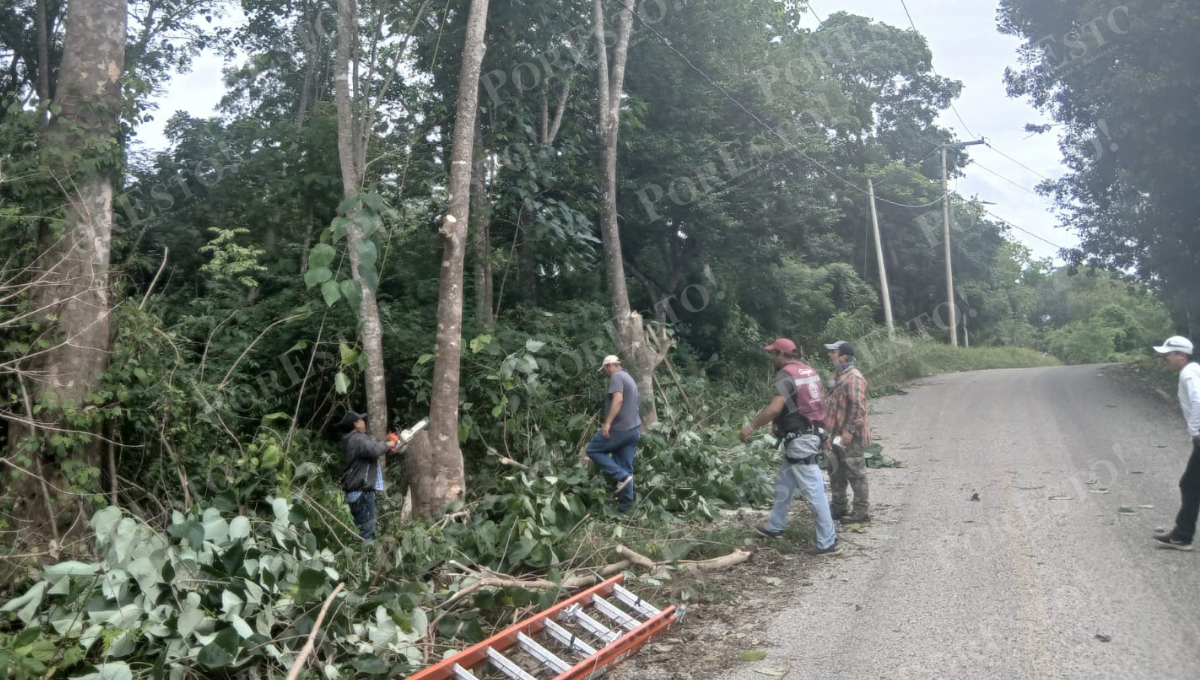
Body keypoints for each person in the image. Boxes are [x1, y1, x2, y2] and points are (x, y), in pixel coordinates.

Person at [740, 338, 840, 556]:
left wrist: (751, 426)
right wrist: (823, 435)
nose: (771, 358)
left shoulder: (785, 374)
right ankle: (775, 526)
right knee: (784, 479)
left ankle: (828, 541)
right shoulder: (809, 371)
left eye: (772, 354)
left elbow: (775, 408)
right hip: (812, 432)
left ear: (780, 354)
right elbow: (819, 404)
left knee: (814, 490)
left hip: (800, 438)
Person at [1151, 336, 1200, 551]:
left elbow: (1198, 399)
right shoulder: (1193, 370)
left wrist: (1196, 431)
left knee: (1189, 484)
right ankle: (1182, 534)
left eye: (1167, 355)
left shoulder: (1189, 373)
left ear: (1182, 355)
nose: (1164, 359)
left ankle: (1182, 536)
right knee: (1191, 484)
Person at [824, 340, 871, 524]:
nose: (830, 355)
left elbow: (858, 406)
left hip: (850, 435)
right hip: (835, 433)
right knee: (835, 471)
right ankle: (839, 508)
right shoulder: (837, 376)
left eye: (833, 352)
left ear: (843, 356)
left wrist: (849, 430)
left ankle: (861, 512)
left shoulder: (853, 377)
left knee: (855, 472)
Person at [586, 355, 640, 512]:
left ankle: (620, 476)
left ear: (609, 366)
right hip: (633, 429)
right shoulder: (628, 377)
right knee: (626, 468)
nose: (605, 373)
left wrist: (608, 422)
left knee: (593, 450)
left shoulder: (616, 377)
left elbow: (618, 400)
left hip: (620, 429)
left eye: (605, 370)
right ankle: (625, 509)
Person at [340, 410, 400, 541]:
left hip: (356, 492)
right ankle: (366, 557)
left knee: (361, 530)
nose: (364, 422)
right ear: (356, 424)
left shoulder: (351, 439)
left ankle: (360, 558)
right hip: (362, 493)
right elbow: (374, 450)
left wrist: (385, 442)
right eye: (361, 420)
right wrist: (388, 444)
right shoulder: (357, 438)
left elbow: (370, 448)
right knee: (367, 533)